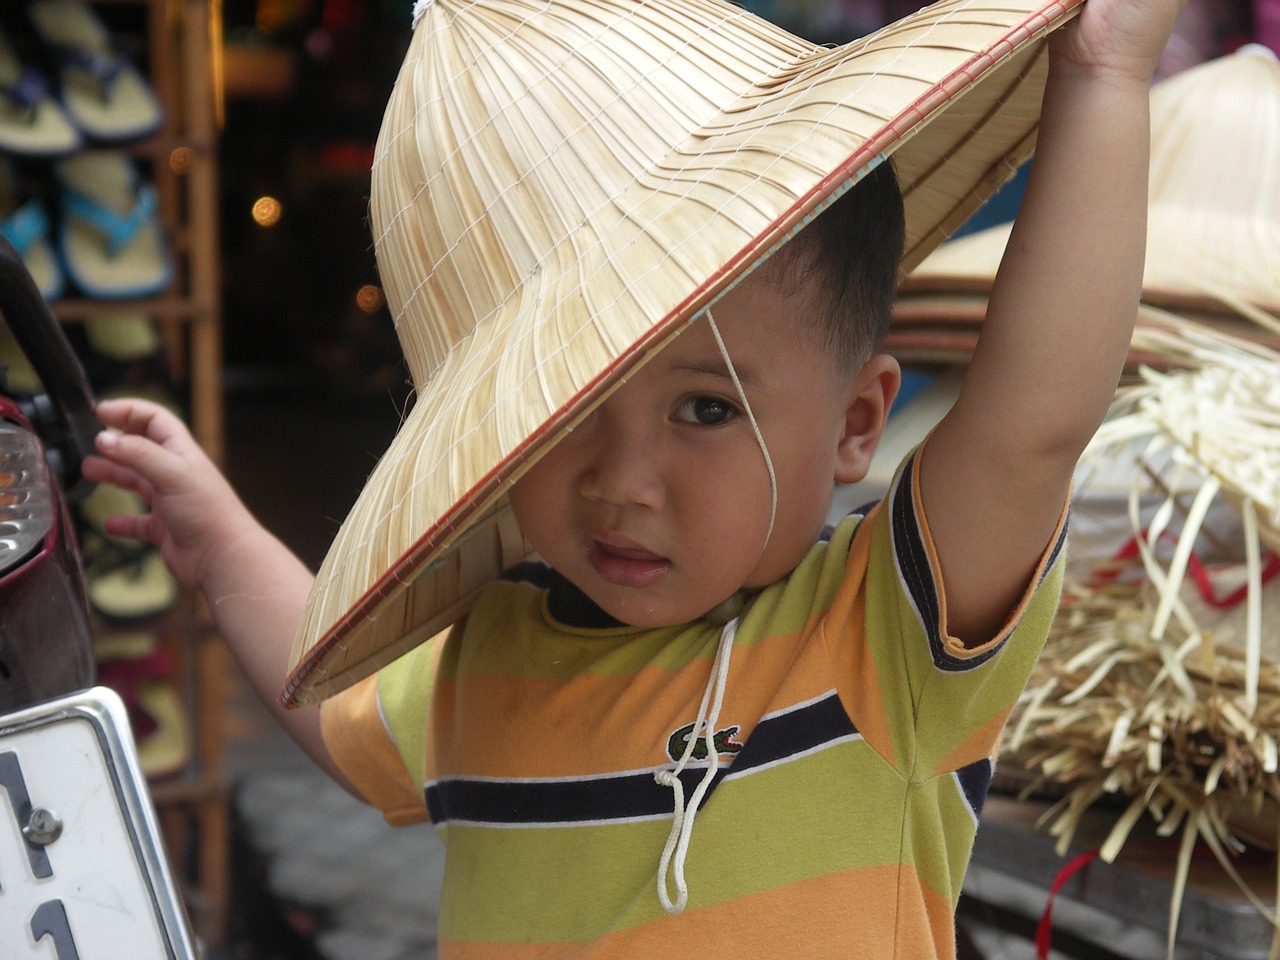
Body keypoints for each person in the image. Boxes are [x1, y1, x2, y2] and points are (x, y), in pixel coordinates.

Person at [84, 0, 1185, 954]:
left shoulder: (878, 634)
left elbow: (1031, 425)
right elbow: (347, 724)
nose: (623, 482)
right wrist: (220, 539)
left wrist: (1102, 76)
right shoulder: (492, 649)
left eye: (705, 410)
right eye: (562, 415)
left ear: (856, 425)